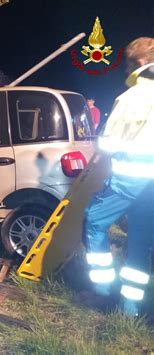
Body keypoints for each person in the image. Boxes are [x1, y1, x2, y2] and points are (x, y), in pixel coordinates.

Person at [83, 37, 154, 317]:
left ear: (137, 63)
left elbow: (109, 144)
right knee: (139, 240)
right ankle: (130, 306)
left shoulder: (130, 98)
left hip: (129, 181)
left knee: (93, 220)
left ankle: (102, 290)